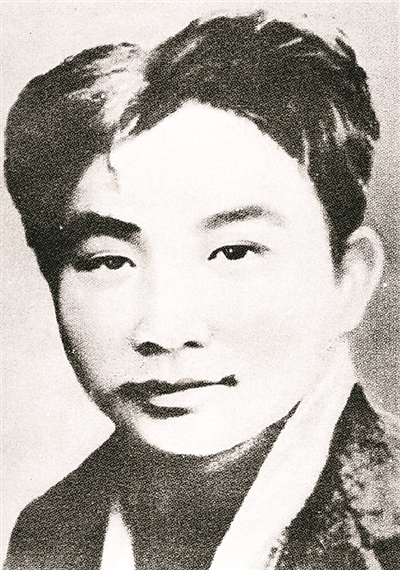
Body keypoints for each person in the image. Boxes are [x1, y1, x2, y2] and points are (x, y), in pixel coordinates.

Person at [4, 12, 399, 570]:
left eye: (233, 252)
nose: (165, 329)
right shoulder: (49, 533)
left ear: (349, 278)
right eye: (110, 261)